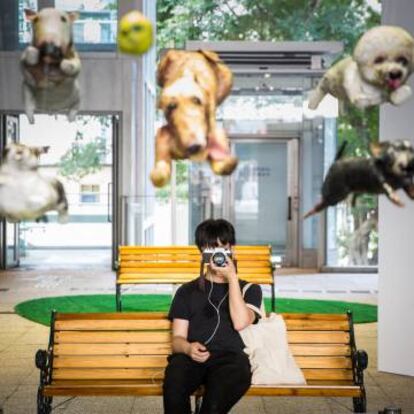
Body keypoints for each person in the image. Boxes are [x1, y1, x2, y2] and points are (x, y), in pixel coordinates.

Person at [163, 218, 263, 414]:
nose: (218, 256)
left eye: (222, 249)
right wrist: (188, 348)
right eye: (211, 250)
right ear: (202, 254)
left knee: (214, 406)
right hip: (192, 357)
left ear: (232, 249)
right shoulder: (186, 291)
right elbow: (177, 340)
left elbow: (240, 322)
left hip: (231, 360)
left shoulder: (250, 289)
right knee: (174, 385)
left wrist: (232, 277)